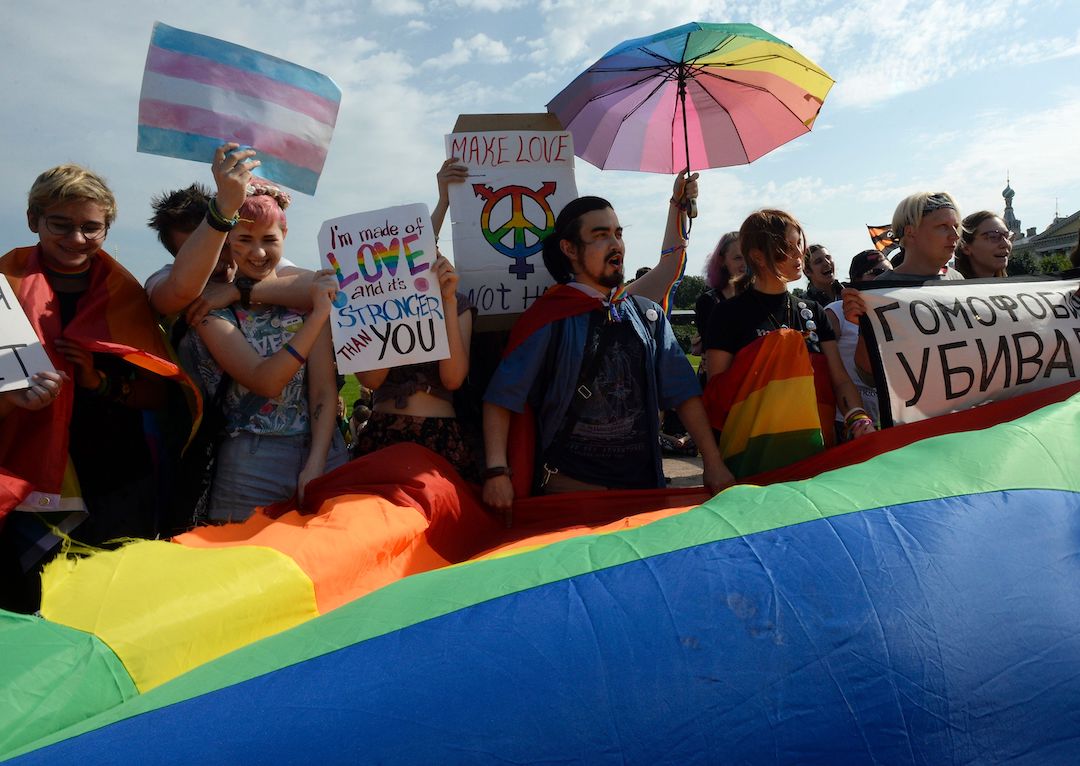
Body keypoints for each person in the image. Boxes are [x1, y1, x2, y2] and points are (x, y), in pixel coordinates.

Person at [0, 164, 195, 612]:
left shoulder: (124, 293)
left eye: (92, 227)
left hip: (113, 476)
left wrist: (100, 382)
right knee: (25, 605)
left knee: (106, 604)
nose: (76, 239)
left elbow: (159, 393)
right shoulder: (3, 284)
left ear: (107, 228)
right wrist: (10, 401)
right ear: (33, 221)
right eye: (60, 225)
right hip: (20, 471)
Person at [481, 182, 733, 516]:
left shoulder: (646, 315)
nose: (615, 244)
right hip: (571, 493)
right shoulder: (547, 318)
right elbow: (502, 397)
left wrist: (713, 462)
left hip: (642, 492)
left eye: (618, 233)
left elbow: (683, 393)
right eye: (601, 235)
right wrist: (497, 471)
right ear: (570, 249)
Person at [189, 187, 346, 522]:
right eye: (244, 239)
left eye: (269, 239)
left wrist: (316, 464)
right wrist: (317, 317)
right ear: (228, 239)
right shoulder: (211, 308)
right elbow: (266, 381)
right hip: (250, 459)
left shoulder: (304, 298)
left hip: (324, 453)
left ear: (285, 235)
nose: (257, 252)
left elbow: (322, 391)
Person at [703, 210, 874, 476]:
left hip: (816, 458)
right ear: (758, 256)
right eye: (787, 246)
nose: (798, 254)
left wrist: (857, 417)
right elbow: (718, 395)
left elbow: (839, 379)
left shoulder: (815, 311)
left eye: (799, 244)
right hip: (751, 463)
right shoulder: (728, 314)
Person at [351, 250, 482, 482]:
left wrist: (448, 302)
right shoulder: (370, 304)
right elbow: (371, 380)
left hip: (440, 436)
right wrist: (395, 306)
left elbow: (453, 379)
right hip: (383, 432)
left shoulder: (457, 302)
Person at [823, 250, 892, 438]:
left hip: (884, 419)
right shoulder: (836, 311)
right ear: (857, 279)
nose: (884, 278)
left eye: (888, 272)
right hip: (845, 421)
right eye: (876, 273)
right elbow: (822, 355)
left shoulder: (893, 315)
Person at [954, 210, 1012, 278]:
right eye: (993, 236)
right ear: (966, 248)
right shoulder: (950, 287)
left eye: (1007, 236)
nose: (1005, 244)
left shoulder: (1014, 288)